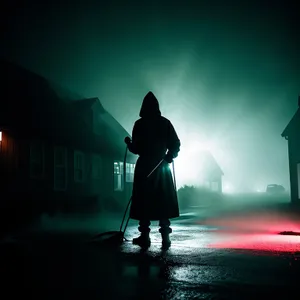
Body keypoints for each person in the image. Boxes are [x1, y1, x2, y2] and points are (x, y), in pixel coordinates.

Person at [124, 91, 180, 249]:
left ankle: (145, 236)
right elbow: (175, 144)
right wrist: (169, 156)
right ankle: (165, 237)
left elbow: (136, 148)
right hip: (162, 168)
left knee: (144, 201)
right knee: (162, 201)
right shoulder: (165, 123)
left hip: (145, 167)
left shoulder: (139, 124)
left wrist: (129, 143)